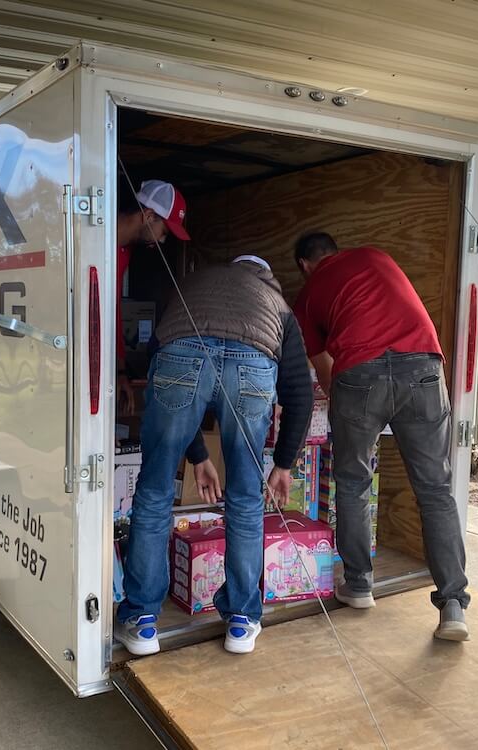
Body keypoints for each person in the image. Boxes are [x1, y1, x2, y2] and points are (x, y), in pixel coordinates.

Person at [116, 256, 314, 656]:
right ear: (266, 277)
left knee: (154, 492)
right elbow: (300, 394)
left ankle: (141, 621)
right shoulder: (277, 304)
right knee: (244, 500)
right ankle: (241, 622)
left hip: (181, 354)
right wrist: (284, 464)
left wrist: (196, 455)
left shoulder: (192, 284)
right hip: (252, 365)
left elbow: (162, 369)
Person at [293, 232, 470, 641]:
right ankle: (453, 605)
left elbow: (325, 369)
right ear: (335, 251)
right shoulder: (376, 254)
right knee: (435, 491)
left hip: (359, 373)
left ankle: (358, 585)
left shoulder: (308, 297)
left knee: (354, 482)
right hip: (423, 368)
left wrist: (344, 406)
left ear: (304, 265)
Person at [116, 179, 190, 415]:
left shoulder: (125, 252)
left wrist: (119, 373)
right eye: (164, 232)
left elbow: (112, 315)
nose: (161, 240)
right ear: (149, 216)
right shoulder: (93, 240)